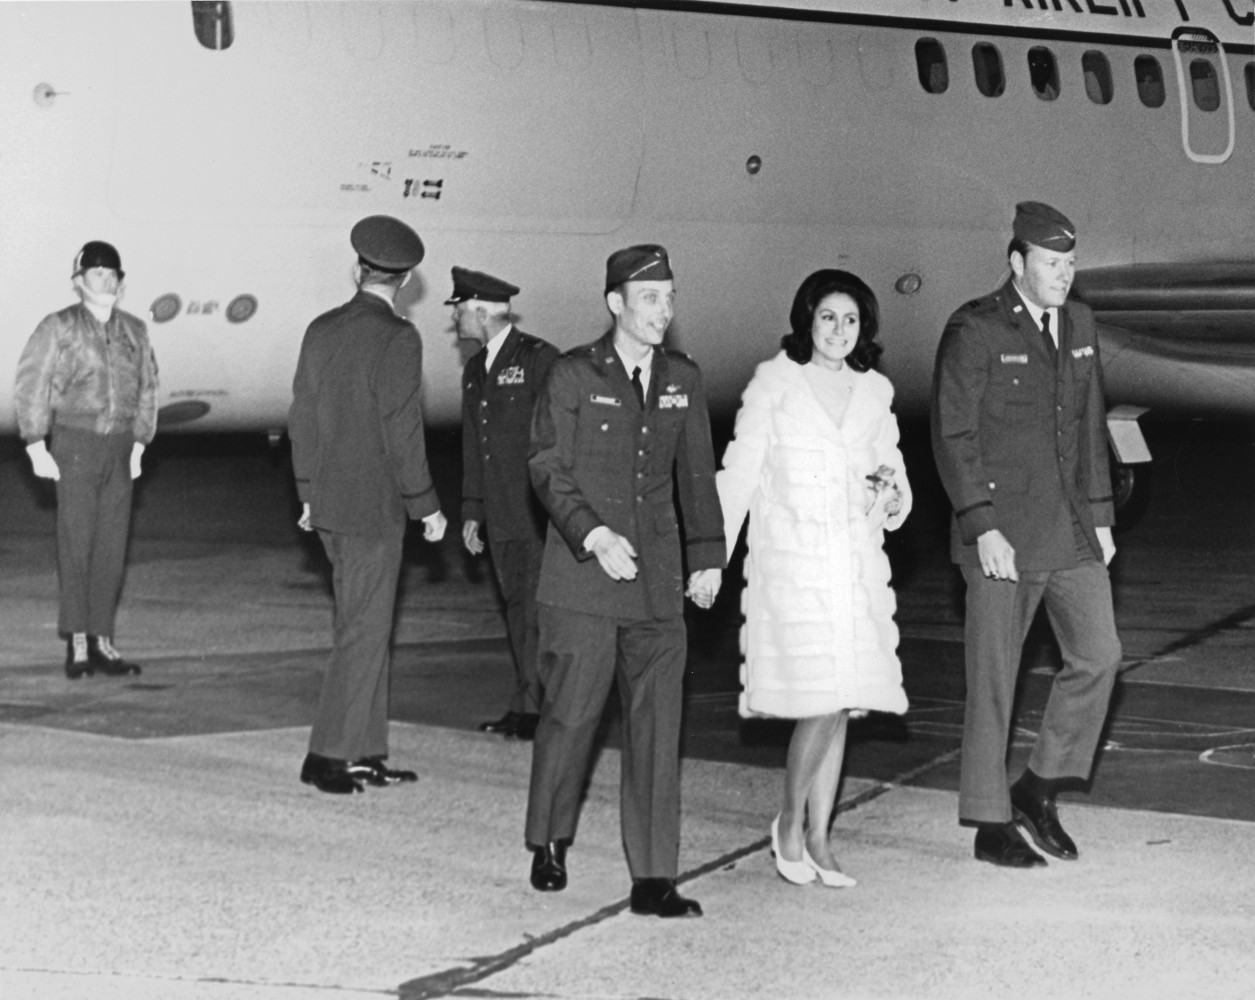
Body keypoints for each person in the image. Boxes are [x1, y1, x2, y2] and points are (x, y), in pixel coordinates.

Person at [525, 244, 725, 918]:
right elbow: (547, 465)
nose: (662, 311)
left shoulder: (682, 378)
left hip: (656, 583)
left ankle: (653, 876)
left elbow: (695, 473)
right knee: (571, 717)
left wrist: (706, 556)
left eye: (669, 297)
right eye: (648, 299)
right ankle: (550, 839)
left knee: (657, 726)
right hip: (584, 580)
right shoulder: (573, 375)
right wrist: (591, 532)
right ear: (615, 303)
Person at [931, 201, 1121, 868]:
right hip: (1002, 538)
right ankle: (988, 823)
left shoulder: (1080, 323)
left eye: (1068, 263)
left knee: (1098, 657)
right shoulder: (976, 329)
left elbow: (1089, 423)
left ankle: (1036, 788)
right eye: (1049, 263)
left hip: (1068, 530)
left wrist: (1100, 515)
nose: (1062, 274)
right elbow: (952, 436)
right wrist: (978, 525)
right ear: (1017, 263)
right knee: (994, 678)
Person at [717, 269, 911, 888]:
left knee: (843, 702)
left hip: (853, 566)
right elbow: (740, 472)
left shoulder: (874, 392)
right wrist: (709, 556)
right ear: (808, 320)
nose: (838, 331)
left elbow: (894, 475)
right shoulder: (776, 382)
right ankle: (788, 824)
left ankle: (822, 840)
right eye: (828, 317)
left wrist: (889, 497)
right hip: (793, 568)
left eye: (851, 320)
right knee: (819, 702)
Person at [289, 215, 448, 795]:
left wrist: (306, 491)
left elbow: (301, 415)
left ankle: (364, 749)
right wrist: (425, 503)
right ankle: (327, 755)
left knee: (368, 628)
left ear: (360, 269)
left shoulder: (322, 329)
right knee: (362, 630)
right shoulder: (398, 337)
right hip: (374, 509)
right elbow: (402, 428)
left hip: (331, 504)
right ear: (404, 281)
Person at [14, 240, 158, 679]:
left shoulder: (135, 329)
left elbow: (149, 386)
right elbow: (31, 383)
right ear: (78, 281)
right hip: (75, 444)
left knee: (112, 548)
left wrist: (139, 442)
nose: (107, 280)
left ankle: (102, 639)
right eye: (97, 273)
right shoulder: (58, 327)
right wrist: (36, 443)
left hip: (119, 447)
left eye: (113, 274)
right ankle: (77, 641)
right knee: (76, 544)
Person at [451, 266, 560, 742]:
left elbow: (559, 438)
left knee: (536, 614)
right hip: (499, 515)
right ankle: (526, 704)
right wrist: (472, 509)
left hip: (537, 514)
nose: (455, 317)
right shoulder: (476, 369)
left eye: (458, 309)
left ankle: (541, 709)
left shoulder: (539, 359)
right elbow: (475, 444)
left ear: (479, 310)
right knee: (516, 610)